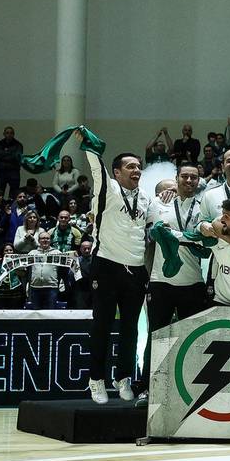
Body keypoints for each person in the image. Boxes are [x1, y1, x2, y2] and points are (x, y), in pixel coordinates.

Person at [75, 130, 151, 405]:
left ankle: (124, 378)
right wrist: (88, 143)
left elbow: (155, 224)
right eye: (130, 166)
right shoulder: (107, 189)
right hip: (106, 265)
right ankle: (96, 379)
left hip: (136, 270)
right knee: (103, 325)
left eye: (139, 166)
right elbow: (96, 165)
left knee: (131, 328)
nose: (137, 170)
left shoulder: (145, 198)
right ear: (116, 172)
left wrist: (167, 190)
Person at [141, 163, 206, 401]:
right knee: (155, 337)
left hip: (193, 282)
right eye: (185, 176)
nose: (189, 180)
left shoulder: (203, 207)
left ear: (199, 181)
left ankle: (190, 388)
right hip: (161, 282)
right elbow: (150, 235)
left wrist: (175, 236)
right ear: (176, 178)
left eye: (194, 177)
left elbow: (204, 240)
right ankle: (147, 388)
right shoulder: (158, 203)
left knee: (193, 339)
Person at [27, 231, 65, 309]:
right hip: (35, 288)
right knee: (35, 313)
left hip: (51, 288)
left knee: (50, 314)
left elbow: (66, 266)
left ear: (50, 240)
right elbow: (23, 267)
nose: (45, 240)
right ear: (38, 240)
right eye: (43, 238)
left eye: (47, 238)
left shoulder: (57, 253)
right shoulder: (32, 253)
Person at [0, 244, 26, 309]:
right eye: (6, 250)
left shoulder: (18, 261)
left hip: (16, 295)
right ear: (3, 252)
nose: (9, 252)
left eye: (11, 250)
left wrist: (13, 267)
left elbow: (23, 274)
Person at [0, 126, 24, 197]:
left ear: (14, 134)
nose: (9, 135)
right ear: (4, 134)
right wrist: (11, 154)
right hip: (1, 172)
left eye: (11, 133)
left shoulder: (18, 145)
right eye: (7, 133)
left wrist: (4, 154)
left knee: (14, 192)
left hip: (14, 172)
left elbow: (17, 156)